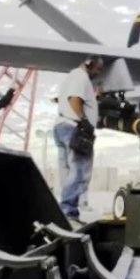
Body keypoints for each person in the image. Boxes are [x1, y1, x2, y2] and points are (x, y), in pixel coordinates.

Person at [54, 56, 103, 223]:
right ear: (89, 64)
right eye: (98, 69)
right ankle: (68, 212)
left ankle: (67, 211)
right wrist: (84, 122)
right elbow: (74, 99)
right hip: (73, 128)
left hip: (63, 126)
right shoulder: (80, 77)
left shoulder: (71, 77)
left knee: (69, 172)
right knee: (80, 172)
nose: (98, 73)